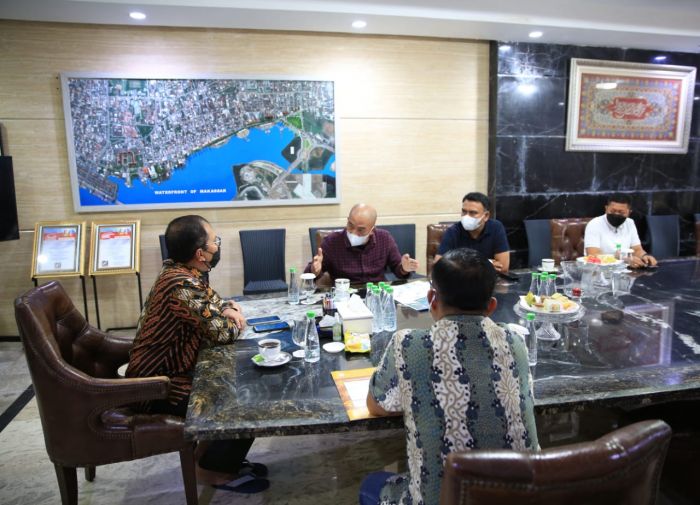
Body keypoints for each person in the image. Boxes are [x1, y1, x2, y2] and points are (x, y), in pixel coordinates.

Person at [360, 248, 538, 505]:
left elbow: (376, 405)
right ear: (491, 306)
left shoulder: (408, 344)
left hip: (442, 499)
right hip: (522, 497)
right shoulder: (515, 341)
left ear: (432, 298)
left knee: (372, 484)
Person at [126, 215, 268, 492]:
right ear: (200, 254)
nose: (218, 245)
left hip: (177, 372)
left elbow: (218, 303)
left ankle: (215, 459)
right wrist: (231, 314)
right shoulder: (181, 284)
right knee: (246, 398)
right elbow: (223, 331)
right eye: (214, 241)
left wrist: (228, 309)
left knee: (242, 381)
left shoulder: (181, 272)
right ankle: (211, 472)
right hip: (158, 386)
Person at [306, 203, 419, 283]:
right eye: (350, 225)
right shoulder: (332, 242)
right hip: (344, 296)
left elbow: (398, 270)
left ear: (372, 229)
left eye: (361, 229)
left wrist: (404, 268)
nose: (353, 232)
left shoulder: (384, 238)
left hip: (377, 294)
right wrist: (314, 270)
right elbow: (310, 275)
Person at [436, 192, 510, 272]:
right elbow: (438, 264)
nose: (466, 216)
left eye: (473, 213)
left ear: (486, 216)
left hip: (487, 281)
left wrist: (459, 265)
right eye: (464, 211)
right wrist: (485, 264)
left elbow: (503, 266)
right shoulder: (453, 231)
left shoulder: (496, 227)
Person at [584, 194, 657, 268]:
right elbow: (593, 254)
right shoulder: (594, 224)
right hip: (599, 272)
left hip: (625, 273)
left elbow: (637, 249)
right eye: (612, 211)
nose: (616, 214)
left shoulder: (630, 223)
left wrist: (645, 256)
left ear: (629, 213)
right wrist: (624, 259)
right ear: (606, 208)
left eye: (621, 213)